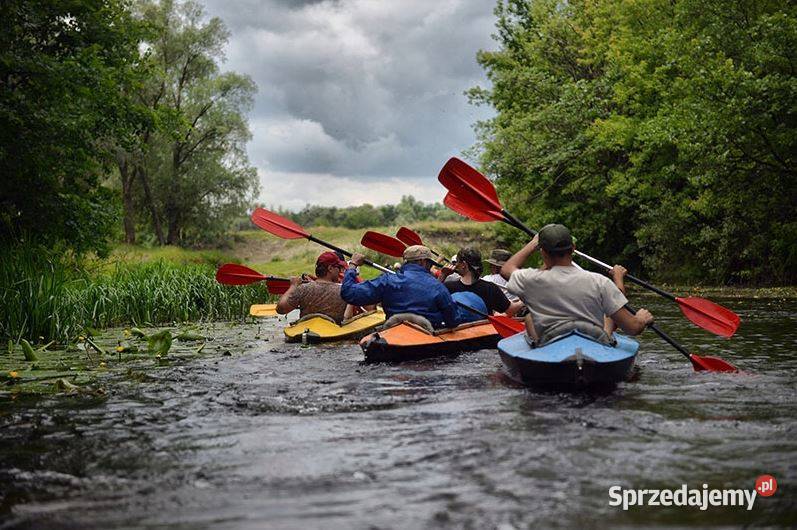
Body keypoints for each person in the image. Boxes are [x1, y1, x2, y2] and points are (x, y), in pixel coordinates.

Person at [500, 224, 653, 345]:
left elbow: (506, 269)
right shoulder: (600, 281)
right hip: (594, 340)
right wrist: (641, 318)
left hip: (551, 342)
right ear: (573, 248)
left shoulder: (532, 280)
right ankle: (605, 339)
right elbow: (633, 328)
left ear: (543, 252)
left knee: (530, 318)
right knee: (609, 315)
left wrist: (533, 243)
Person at [341, 245, 466, 329]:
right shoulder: (437, 286)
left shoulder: (387, 281)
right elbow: (453, 321)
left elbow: (348, 293)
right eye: (429, 264)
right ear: (423, 262)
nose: (429, 267)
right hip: (426, 338)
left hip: (392, 334)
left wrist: (352, 265)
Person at [276, 251, 361, 322]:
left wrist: (293, 286)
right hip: (332, 336)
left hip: (305, 334)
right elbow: (347, 319)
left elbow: (281, 309)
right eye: (338, 267)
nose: (339, 271)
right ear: (330, 268)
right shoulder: (344, 292)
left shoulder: (303, 289)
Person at [440, 247, 522, 316]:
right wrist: (523, 301)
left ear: (464, 264)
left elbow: (430, 299)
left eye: (457, 262)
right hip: (485, 333)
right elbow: (511, 310)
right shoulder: (490, 288)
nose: (455, 265)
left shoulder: (448, 286)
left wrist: (443, 275)